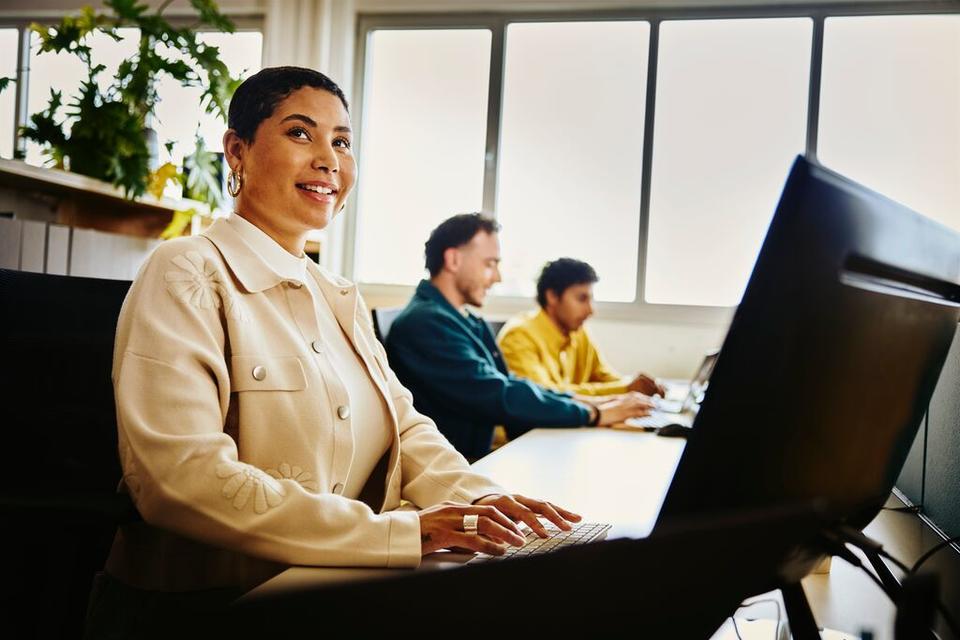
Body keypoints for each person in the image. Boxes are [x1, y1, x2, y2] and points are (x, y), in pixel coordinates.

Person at [88, 67, 581, 634]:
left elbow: (408, 429)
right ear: (237, 150)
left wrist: (490, 509)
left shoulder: (338, 295)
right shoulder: (185, 271)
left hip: (323, 591)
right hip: (200, 610)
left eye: (342, 142)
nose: (329, 159)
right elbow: (179, 478)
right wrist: (400, 534)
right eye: (301, 134)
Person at [385, 214, 654, 461]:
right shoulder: (427, 322)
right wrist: (594, 414)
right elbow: (499, 395)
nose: (498, 277)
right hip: (460, 467)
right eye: (490, 264)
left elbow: (509, 383)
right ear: (453, 260)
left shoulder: (462, 320)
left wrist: (592, 403)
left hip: (475, 460)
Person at [498, 257, 666, 397]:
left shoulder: (577, 331)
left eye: (590, 299)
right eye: (581, 299)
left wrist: (636, 386)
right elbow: (545, 396)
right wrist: (624, 389)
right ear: (552, 296)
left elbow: (602, 375)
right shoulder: (519, 336)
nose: (590, 310)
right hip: (526, 435)